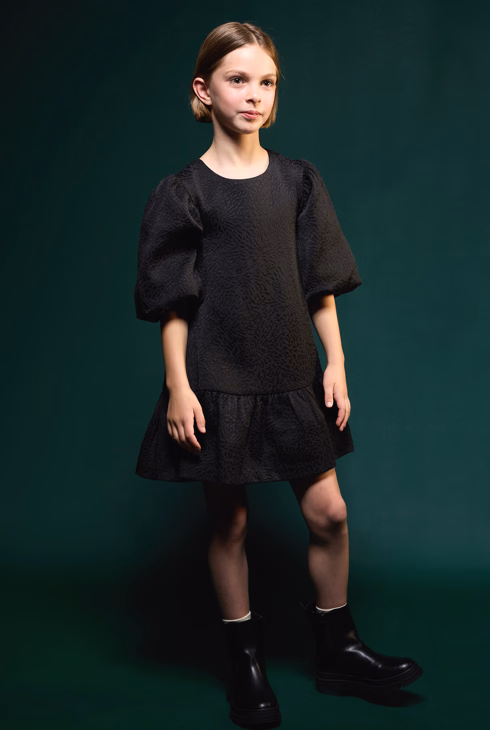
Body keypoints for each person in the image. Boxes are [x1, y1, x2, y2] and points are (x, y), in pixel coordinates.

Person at [134, 21, 423, 728]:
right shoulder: (184, 192)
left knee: (329, 513)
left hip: (292, 371)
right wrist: (178, 385)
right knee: (229, 522)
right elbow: (173, 303)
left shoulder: (298, 181)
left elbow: (320, 285)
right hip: (216, 376)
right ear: (204, 90)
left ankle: (338, 648)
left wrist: (337, 364)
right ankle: (246, 663)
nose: (254, 94)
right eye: (238, 79)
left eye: (266, 82)